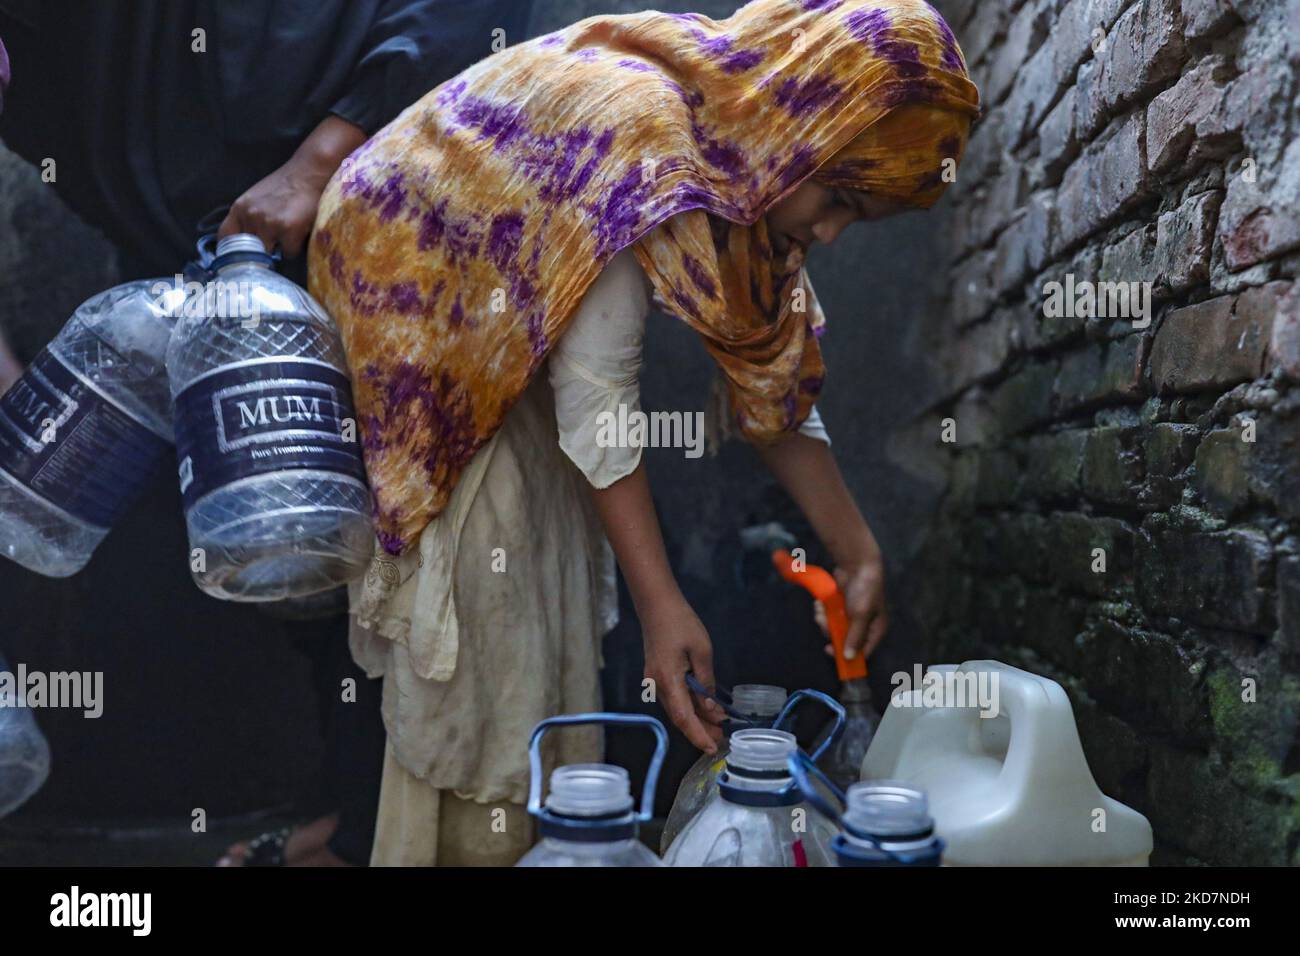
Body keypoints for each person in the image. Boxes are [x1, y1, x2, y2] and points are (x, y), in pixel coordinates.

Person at [309, 0, 980, 865]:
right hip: (417, 310)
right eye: (841, 199)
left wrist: (857, 552)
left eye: (862, 219)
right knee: (485, 620)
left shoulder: (753, 171)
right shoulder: (640, 138)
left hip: (523, 354)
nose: (830, 233)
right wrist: (665, 611)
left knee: (546, 596)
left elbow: (770, 378)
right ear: (807, 129)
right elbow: (600, 403)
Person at [0, 0, 532, 866]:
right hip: (193, 241)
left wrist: (318, 162)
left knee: (395, 546)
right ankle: (346, 817)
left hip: (373, 220)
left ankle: (371, 827)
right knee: (280, 545)